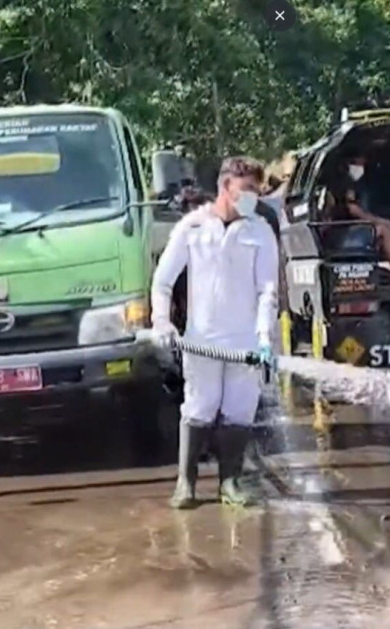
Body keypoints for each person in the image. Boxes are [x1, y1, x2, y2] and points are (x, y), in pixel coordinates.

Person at [151, 156, 280, 509]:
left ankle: (231, 482)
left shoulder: (260, 231)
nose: (253, 196)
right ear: (226, 187)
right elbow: (162, 282)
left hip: (245, 342)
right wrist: (162, 321)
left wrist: (265, 337)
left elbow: (267, 290)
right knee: (199, 408)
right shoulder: (192, 228)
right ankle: (186, 484)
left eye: (257, 190)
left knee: (239, 410)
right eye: (247, 189)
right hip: (202, 341)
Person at [328, 155, 390, 282]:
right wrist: (377, 221)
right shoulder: (347, 183)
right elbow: (353, 210)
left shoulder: (338, 181)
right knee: (384, 231)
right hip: (344, 232)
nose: (363, 165)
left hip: (338, 231)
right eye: (360, 161)